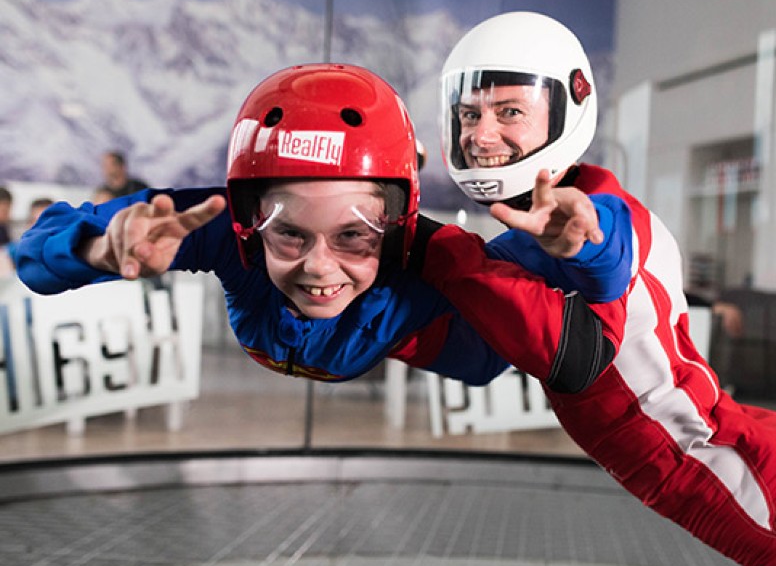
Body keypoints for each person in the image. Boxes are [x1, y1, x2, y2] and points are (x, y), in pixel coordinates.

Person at [15, 64, 621, 399]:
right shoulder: (220, 225)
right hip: (391, 327)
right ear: (250, 220)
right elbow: (33, 255)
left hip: (424, 334)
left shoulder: (436, 258)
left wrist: (585, 249)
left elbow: (569, 359)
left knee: (504, 286)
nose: (319, 268)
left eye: (355, 235)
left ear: (398, 224)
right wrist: (98, 246)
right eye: (288, 233)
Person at [432, 10, 776, 566]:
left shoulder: (608, 214)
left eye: (509, 110)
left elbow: (606, 257)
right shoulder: (526, 246)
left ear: (569, 106)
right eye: (470, 113)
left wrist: (426, 247)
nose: (480, 134)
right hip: (718, 453)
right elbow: (477, 355)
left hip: (726, 460)